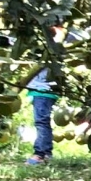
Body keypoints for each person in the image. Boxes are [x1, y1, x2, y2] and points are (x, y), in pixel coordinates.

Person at [24, 25, 65, 165]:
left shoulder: (51, 50)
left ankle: (40, 154)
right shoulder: (45, 50)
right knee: (42, 122)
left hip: (44, 90)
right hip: (42, 90)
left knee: (41, 122)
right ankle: (46, 154)